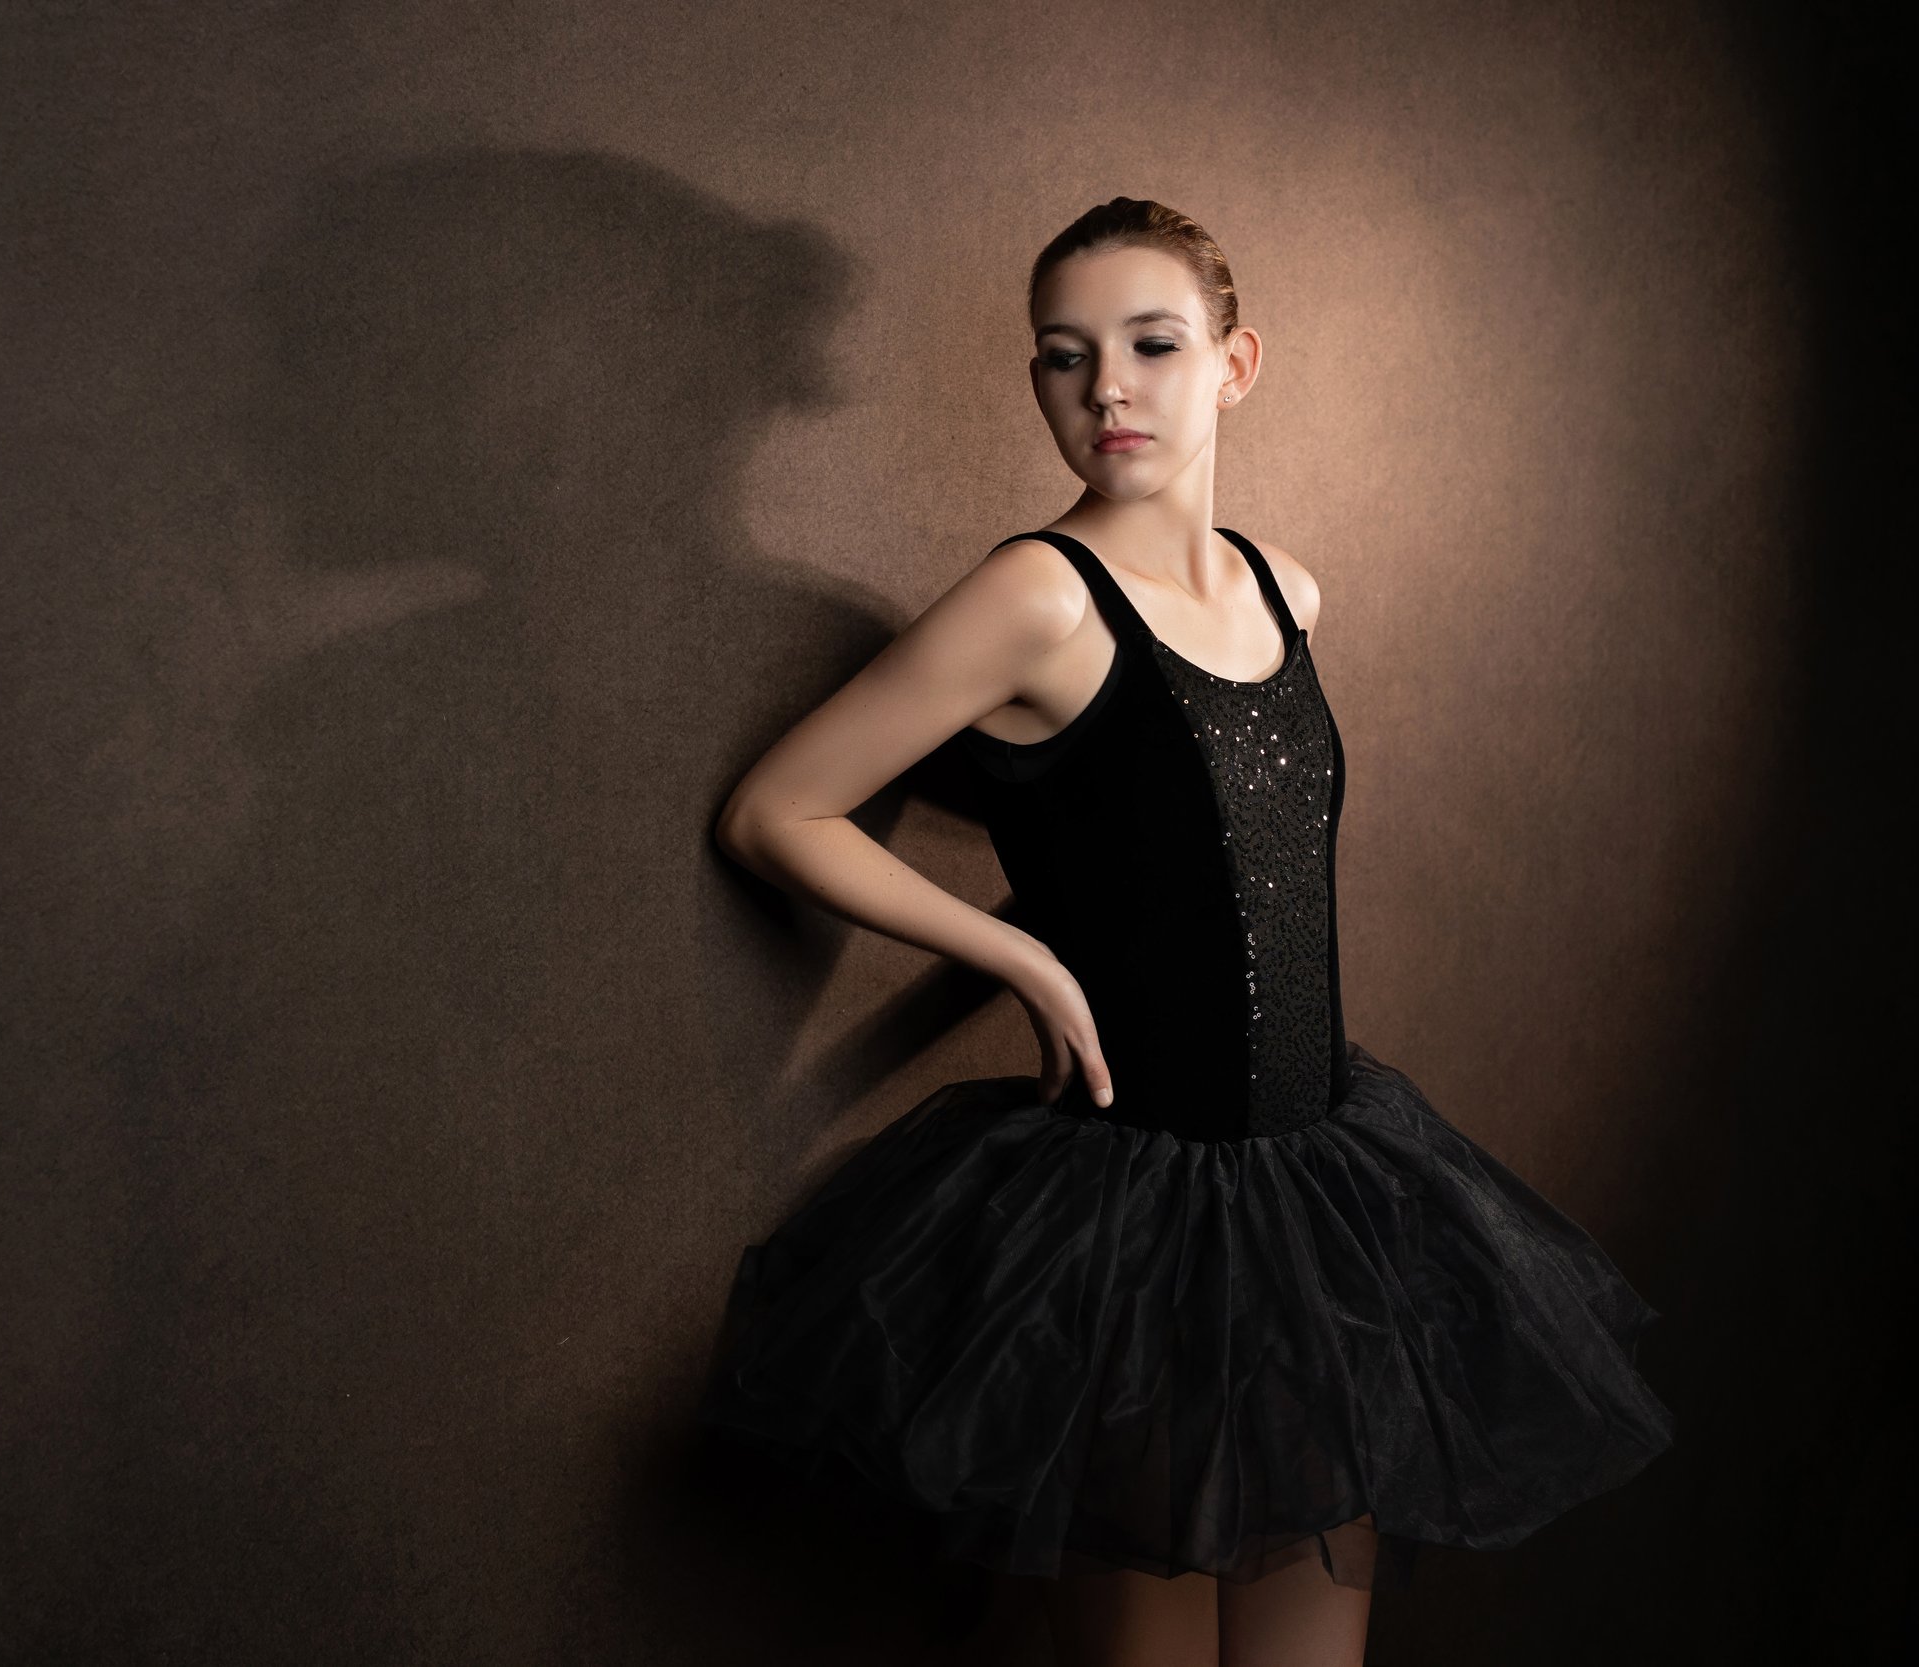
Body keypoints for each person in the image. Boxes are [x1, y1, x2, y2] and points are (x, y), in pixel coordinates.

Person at [695, 197, 1675, 1667]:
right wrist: (1018, 958)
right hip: (1135, 1227)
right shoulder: (1036, 595)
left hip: (1320, 1198)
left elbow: (1180, 854)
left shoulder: (1289, 589)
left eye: (1152, 345)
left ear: (1235, 363)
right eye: (1061, 356)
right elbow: (779, 810)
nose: (1106, 389)